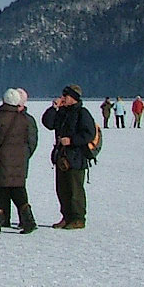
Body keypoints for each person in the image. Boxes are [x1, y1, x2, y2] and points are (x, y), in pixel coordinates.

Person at [0, 89, 39, 233]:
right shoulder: (24, 119)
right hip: (19, 160)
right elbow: (30, 140)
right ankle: (28, 221)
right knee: (18, 190)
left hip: (1, 158)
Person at [41, 84, 97, 230]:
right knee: (62, 189)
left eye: (66, 96)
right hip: (62, 157)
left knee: (75, 190)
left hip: (76, 158)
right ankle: (66, 217)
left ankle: (78, 218)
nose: (63, 98)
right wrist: (54, 108)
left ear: (73, 98)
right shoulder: (62, 112)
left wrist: (71, 140)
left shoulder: (82, 113)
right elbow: (48, 123)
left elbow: (89, 133)